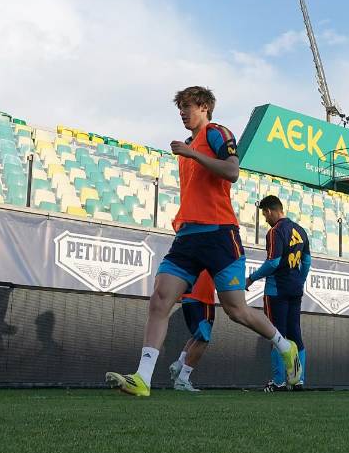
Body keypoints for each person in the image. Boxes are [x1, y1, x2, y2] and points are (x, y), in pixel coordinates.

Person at [106, 86, 299, 397]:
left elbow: (233, 171)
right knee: (160, 300)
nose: (183, 113)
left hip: (220, 234)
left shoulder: (215, 133)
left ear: (205, 108)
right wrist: (189, 151)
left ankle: (283, 345)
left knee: (236, 310)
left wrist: (192, 153)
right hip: (187, 236)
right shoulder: (187, 145)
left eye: (188, 107)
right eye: (180, 108)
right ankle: (143, 378)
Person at [246, 195, 311, 392]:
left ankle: (279, 381)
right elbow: (307, 262)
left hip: (277, 290)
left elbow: (273, 263)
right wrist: (299, 281)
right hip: (295, 289)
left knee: (276, 335)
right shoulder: (300, 230)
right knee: (295, 334)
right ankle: (299, 380)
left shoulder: (275, 232)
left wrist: (252, 278)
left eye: (265, 214)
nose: (265, 219)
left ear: (271, 211)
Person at [167, 270, 215, 392]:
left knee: (197, 336)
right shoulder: (214, 252)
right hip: (202, 298)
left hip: (187, 298)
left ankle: (179, 363)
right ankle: (183, 379)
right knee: (203, 339)